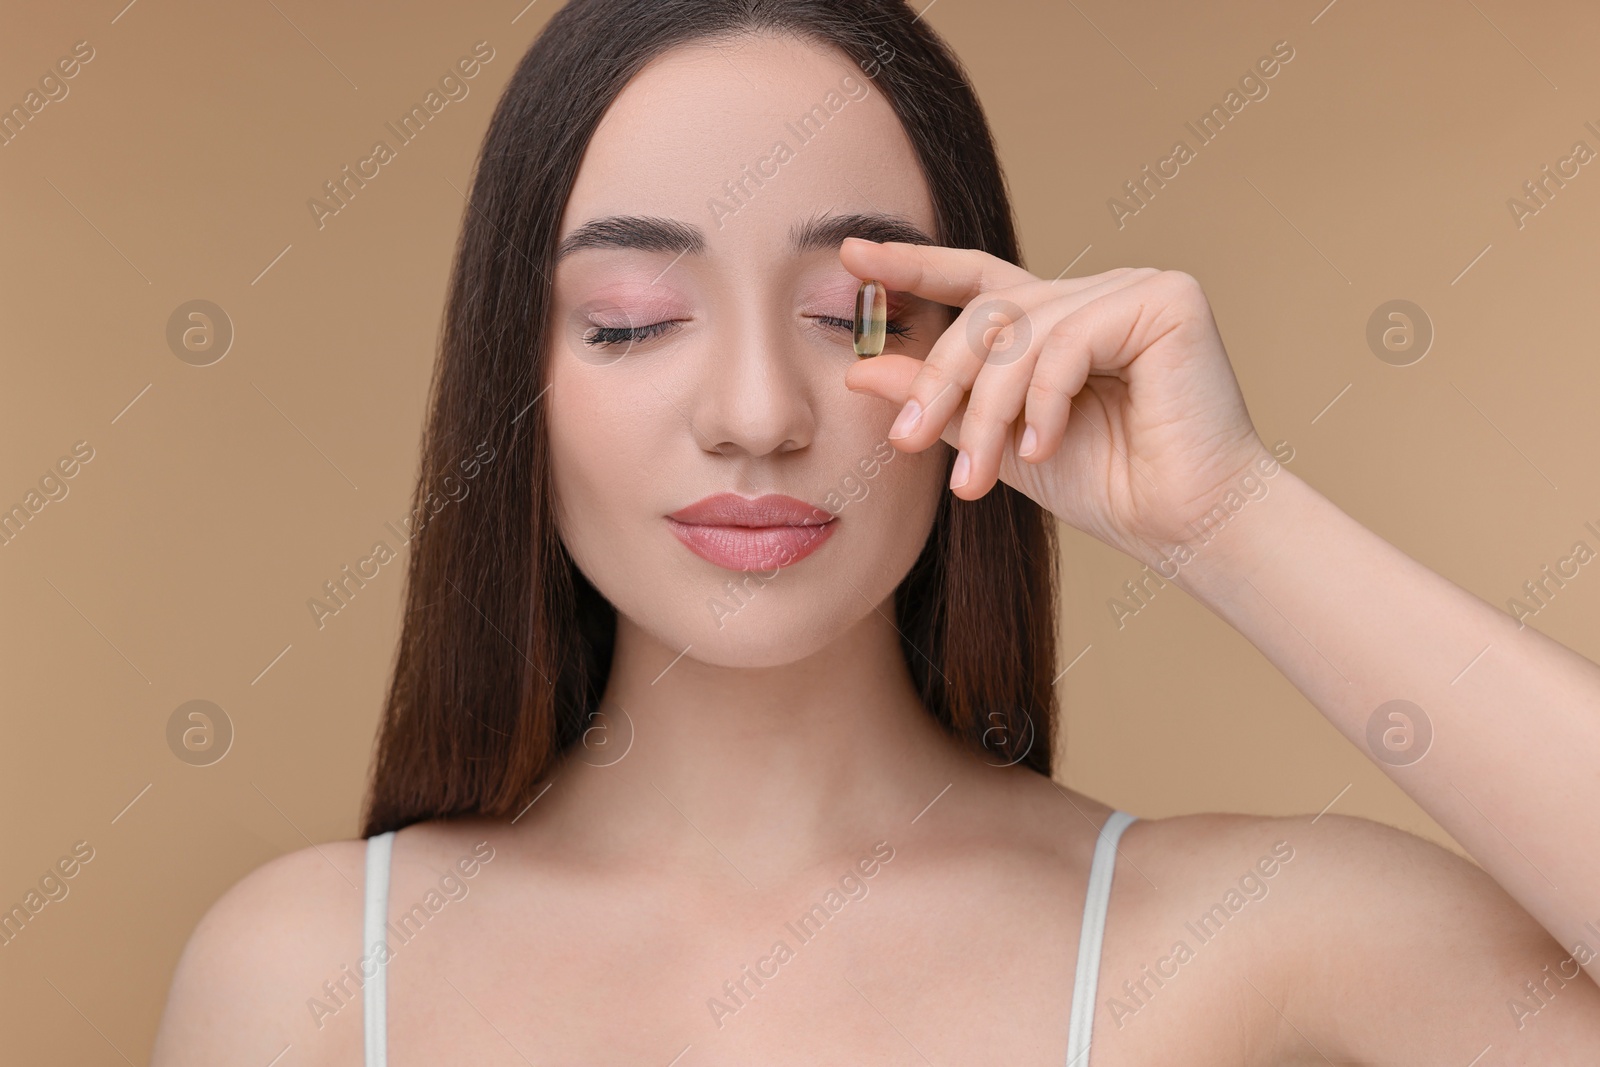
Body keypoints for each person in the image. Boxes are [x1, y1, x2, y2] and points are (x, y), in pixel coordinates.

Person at [150, 1, 1600, 1063]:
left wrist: (1228, 517)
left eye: (858, 318)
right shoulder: (311, 978)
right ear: (511, 383)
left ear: (970, 337)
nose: (756, 415)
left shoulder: (1243, 943)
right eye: (631, 322)